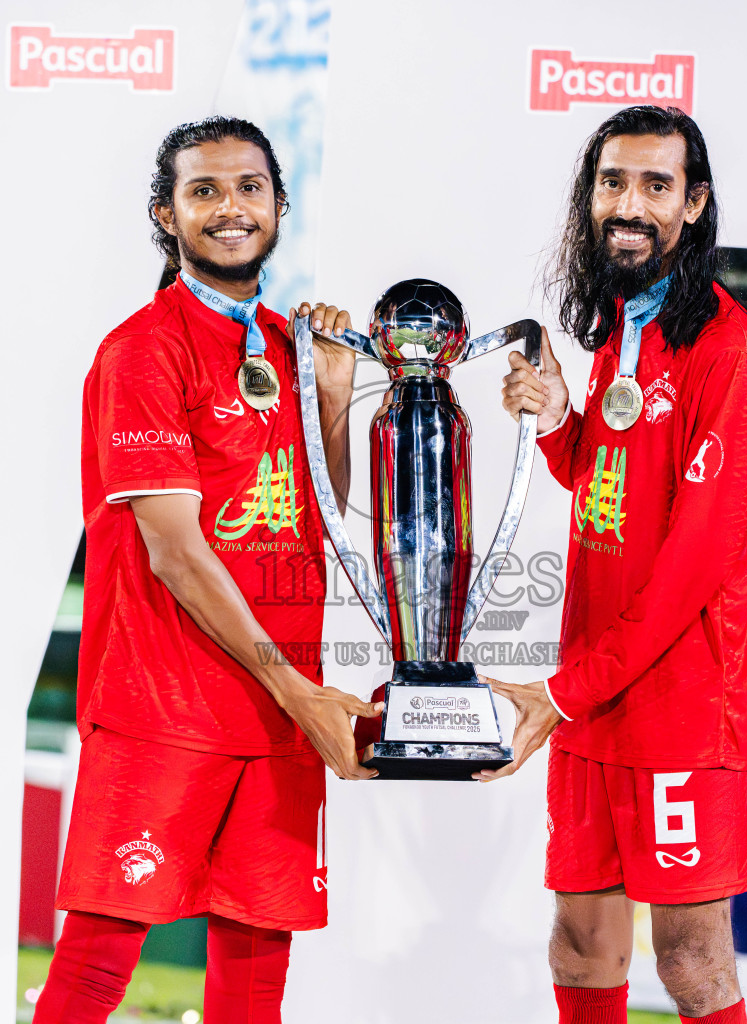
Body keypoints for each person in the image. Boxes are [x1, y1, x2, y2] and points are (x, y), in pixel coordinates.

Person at [34, 115, 381, 1024]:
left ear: (279, 205)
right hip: (163, 708)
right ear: (168, 214)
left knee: (254, 983)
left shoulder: (295, 346)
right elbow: (176, 552)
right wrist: (300, 691)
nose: (231, 207)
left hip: (275, 715)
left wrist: (337, 397)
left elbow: (315, 517)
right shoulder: (142, 350)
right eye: (205, 191)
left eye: (250, 187)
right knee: (95, 969)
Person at [478, 105, 747, 1024]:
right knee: (580, 946)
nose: (629, 204)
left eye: (655, 184)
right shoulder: (619, 324)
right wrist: (560, 417)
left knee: (689, 964)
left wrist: (567, 690)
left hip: (680, 704)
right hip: (596, 693)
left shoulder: (726, 350)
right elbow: (605, 487)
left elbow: (692, 566)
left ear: (694, 205)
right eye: (613, 182)